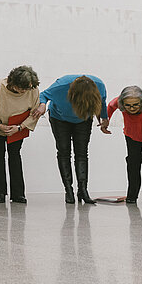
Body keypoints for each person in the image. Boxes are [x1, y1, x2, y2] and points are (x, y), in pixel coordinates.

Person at [35, 74, 108, 205]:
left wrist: (104, 118)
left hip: (83, 119)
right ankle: (68, 190)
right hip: (59, 119)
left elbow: (101, 102)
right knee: (63, 152)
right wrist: (42, 105)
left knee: (81, 153)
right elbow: (44, 94)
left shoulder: (100, 86)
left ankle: (83, 190)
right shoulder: (61, 86)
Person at [0, 66, 41, 204]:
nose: (24, 92)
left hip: (18, 128)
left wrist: (20, 127)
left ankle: (18, 194)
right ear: (13, 83)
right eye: (22, 89)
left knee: (15, 155)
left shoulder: (33, 90)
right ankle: (0, 192)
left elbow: (35, 113)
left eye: (27, 89)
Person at [104, 86, 142, 206]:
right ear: (122, 103)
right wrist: (106, 121)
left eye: (136, 105)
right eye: (128, 106)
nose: (132, 108)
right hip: (133, 133)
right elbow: (110, 107)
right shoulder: (118, 101)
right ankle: (132, 195)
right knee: (133, 160)